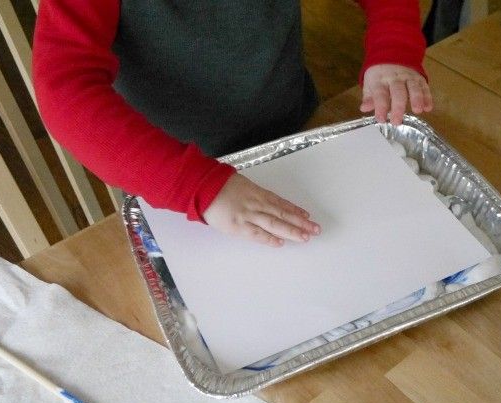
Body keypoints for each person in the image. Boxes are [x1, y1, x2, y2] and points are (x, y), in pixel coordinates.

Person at [33, 0, 433, 248]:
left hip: (297, 129)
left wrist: (393, 46)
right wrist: (197, 187)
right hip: (174, 180)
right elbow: (64, 89)